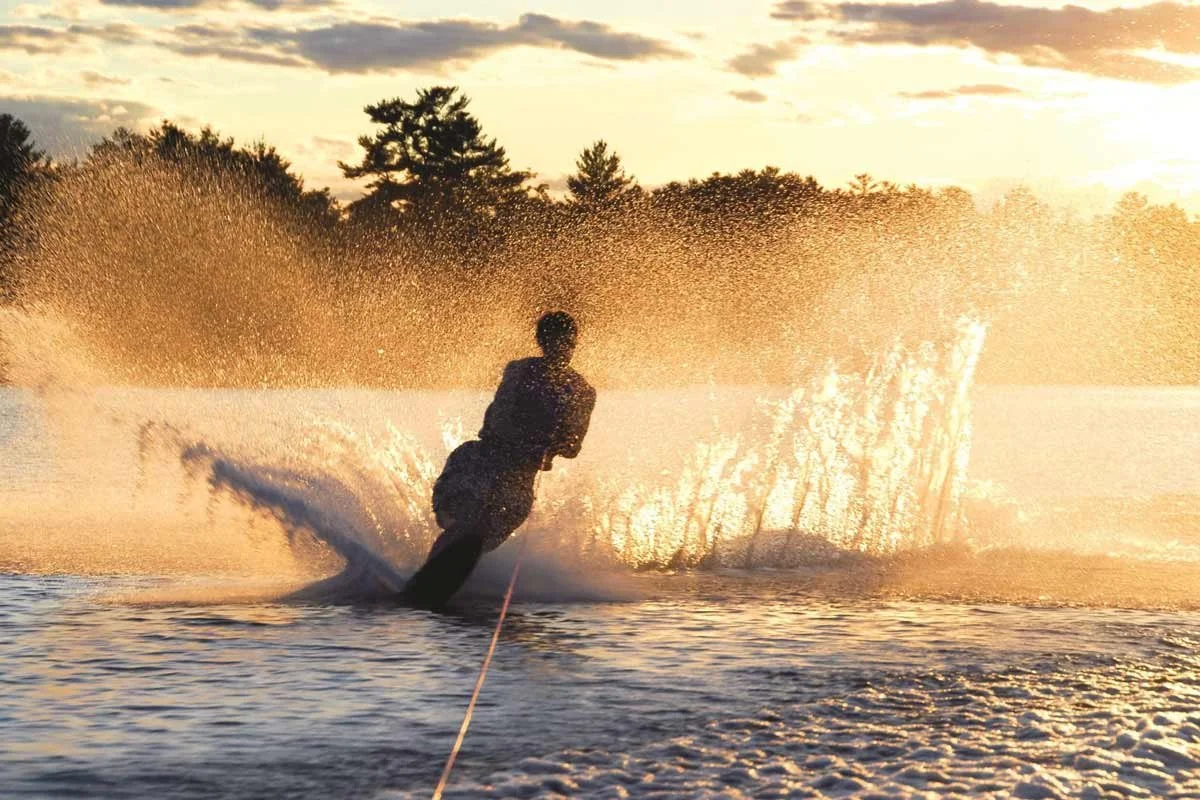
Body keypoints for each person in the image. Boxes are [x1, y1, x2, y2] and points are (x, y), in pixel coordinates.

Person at [403, 311, 596, 606]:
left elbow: (573, 448)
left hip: (519, 482)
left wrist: (554, 445)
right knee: (464, 526)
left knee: (477, 537)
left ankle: (441, 578)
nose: (561, 347)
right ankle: (426, 578)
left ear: (573, 343)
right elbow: (499, 417)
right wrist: (526, 441)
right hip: (480, 461)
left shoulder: (582, 392)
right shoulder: (519, 371)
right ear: (541, 341)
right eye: (553, 341)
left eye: (566, 342)